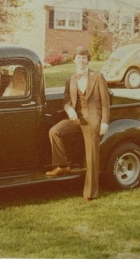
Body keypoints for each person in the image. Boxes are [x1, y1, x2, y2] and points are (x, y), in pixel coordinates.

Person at [46, 46, 110, 201]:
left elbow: (105, 102)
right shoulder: (71, 79)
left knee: (92, 156)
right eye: (78, 57)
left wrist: (104, 123)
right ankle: (62, 166)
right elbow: (66, 102)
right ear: (74, 60)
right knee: (55, 131)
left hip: (93, 121)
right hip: (76, 119)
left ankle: (91, 193)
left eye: (84, 57)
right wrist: (70, 110)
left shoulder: (98, 76)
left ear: (88, 60)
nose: (81, 60)